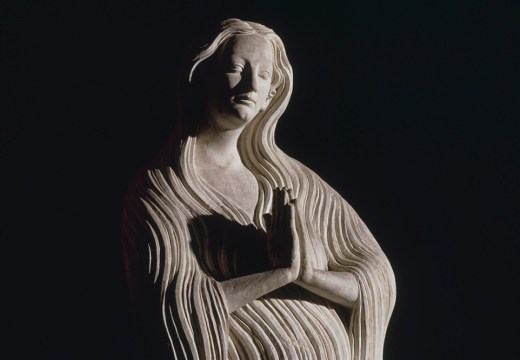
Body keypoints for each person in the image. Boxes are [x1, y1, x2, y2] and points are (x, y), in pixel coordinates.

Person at [122, 18, 396, 359]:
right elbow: (174, 306)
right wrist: (278, 275)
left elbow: (375, 279)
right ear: (200, 75)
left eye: (264, 75)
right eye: (237, 68)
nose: (251, 85)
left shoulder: (294, 183)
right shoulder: (162, 190)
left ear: (271, 96)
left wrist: (309, 275)